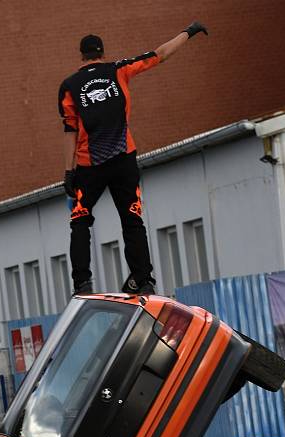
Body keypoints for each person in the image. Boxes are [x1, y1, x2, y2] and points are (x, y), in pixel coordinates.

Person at [58, 22, 209, 296]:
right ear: (102, 53)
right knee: (132, 219)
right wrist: (189, 31)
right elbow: (160, 54)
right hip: (123, 160)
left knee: (80, 220)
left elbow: (70, 130)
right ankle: (144, 279)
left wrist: (68, 173)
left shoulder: (69, 86)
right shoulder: (119, 70)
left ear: (82, 56)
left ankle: (83, 283)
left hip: (89, 166)